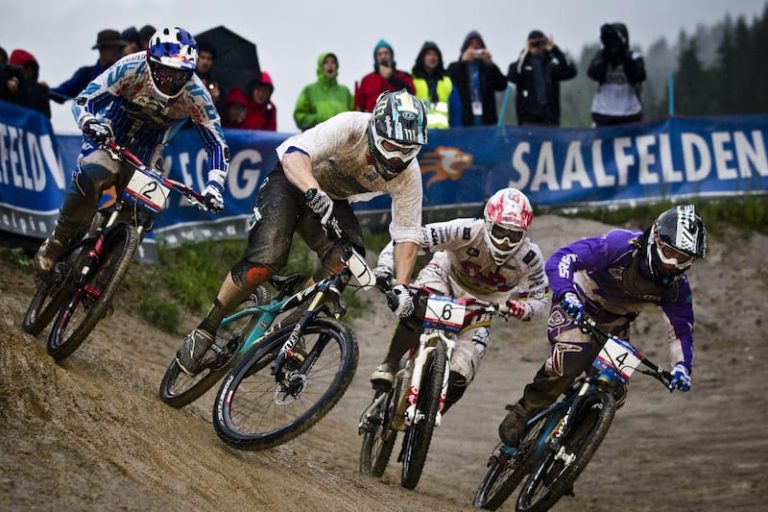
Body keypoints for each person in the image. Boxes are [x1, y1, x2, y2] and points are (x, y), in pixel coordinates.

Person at [175, 90, 428, 375]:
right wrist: (312, 190)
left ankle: (291, 328)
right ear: (375, 130)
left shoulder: (408, 174)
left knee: (348, 259)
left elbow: (407, 233)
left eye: (408, 150)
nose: (398, 159)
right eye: (392, 147)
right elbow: (295, 155)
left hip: (332, 200)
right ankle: (207, 327)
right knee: (266, 260)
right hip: (292, 180)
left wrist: (401, 286)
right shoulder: (350, 128)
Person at [498, 205, 708, 446]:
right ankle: (525, 411)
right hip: (578, 302)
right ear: (656, 240)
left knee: (614, 391)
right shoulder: (620, 245)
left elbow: (681, 329)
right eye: (670, 253)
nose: (673, 264)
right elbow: (563, 258)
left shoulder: (677, 287)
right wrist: (567, 294)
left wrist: (681, 367)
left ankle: (563, 462)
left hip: (615, 323)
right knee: (573, 355)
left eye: (684, 259)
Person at [34, 26, 228, 274]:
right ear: (150, 60)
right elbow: (85, 99)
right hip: (112, 132)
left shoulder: (197, 93)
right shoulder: (130, 66)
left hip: (150, 148)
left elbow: (216, 142)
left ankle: (103, 276)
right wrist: (90, 123)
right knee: (94, 174)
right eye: (164, 71)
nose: (170, 81)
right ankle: (57, 241)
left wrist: (215, 185)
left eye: (178, 75)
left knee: (144, 210)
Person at [370, 188, 551, 413]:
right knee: (419, 309)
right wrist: (386, 266)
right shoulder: (466, 229)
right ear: (487, 223)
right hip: (445, 278)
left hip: (486, 304)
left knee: (461, 373)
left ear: (524, 234)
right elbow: (411, 239)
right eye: (500, 231)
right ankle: (390, 364)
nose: (505, 242)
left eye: (514, 235)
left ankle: (427, 418)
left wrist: (517, 308)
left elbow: (541, 300)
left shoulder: (530, 257)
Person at [507, 30, 577, 126]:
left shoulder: (551, 66)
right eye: (535, 43)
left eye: (541, 42)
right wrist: (525, 52)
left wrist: (554, 49)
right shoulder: (522, 66)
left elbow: (571, 71)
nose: (538, 46)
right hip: (528, 121)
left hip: (550, 120)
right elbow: (512, 77)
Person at [588, 23, 647, 126]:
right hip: (603, 113)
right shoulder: (601, 55)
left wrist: (623, 56)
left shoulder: (634, 56)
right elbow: (593, 73)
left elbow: (638, 76)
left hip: (629, 113)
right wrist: (606, 55)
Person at [446, 30, 507, 126]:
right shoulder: (455, 66)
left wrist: (491, 64)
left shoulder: (487, 67)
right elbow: (447, 82)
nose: (475, 46)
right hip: (464, 119)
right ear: (465, 48)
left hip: (487, 120)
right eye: (471, 44)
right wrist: (462, 62)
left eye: (478, 44)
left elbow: (502, 85)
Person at [50, 29, 127, 103]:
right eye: (112, 47)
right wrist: (43, 90)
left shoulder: (126, 72)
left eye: (119, 48)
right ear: (101, 49)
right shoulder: (86, 74)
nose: (117, 51)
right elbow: (63, 92)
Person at [293, 52, 353, 131]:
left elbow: (355, 116)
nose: (330, 65)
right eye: (326, 62)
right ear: (320, 67)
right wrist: (318, 118)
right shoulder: (309, 90)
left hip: (342, 139)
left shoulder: (345, 91)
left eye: (333, 62)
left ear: (337, 67)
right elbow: (299, 117)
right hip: (316, 138)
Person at [355, 40, 415, 113]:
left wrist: (391, 79)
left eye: (386, 53)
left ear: (391, 55)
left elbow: (411, 95)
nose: (383, 56)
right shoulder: (367, 80)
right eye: (379, 54)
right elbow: (360, 105)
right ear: (375, 57)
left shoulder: (403, 76)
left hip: (398, 119)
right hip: (372, 119)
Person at [411, 41, 458, 129]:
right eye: (428, 54)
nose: (432, 57)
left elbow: (455, 112)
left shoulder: (447, 82)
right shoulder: (412, 80)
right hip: (419, 135)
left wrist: (456, 134)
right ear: (422, 58)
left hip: (443, 135)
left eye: (435, 55)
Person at [7, 49, 50, 118]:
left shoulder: (37, 92)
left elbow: (45, 118)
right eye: (26, 68)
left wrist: (44, 92)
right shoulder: (4, 87)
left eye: (32, 70)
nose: (30, 73)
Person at [196, 42, 221, 109]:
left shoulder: (215, 82)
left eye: (209, 59)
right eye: (202, 57)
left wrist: (215, 100)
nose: (205, 62)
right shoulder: (186, 77)